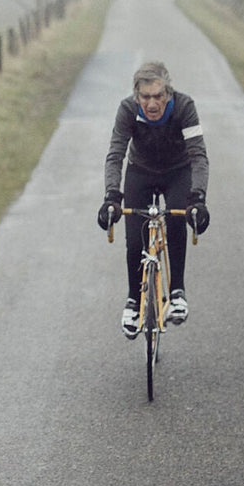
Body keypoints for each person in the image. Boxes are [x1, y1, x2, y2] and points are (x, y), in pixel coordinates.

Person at [97, 61, 210, 338]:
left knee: (177, 219)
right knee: (135, 239)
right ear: (137, 96)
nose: (151, 103)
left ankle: (177, 291)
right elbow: (116, 154)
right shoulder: (127, 109)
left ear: (168, 94)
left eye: (158, 96)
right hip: (141, 170)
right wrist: (111, 196)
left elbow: (198, 155)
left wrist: (198, 198)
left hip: (177, 171)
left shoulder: (184, 107)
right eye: (145, 97)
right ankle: (134, 301)